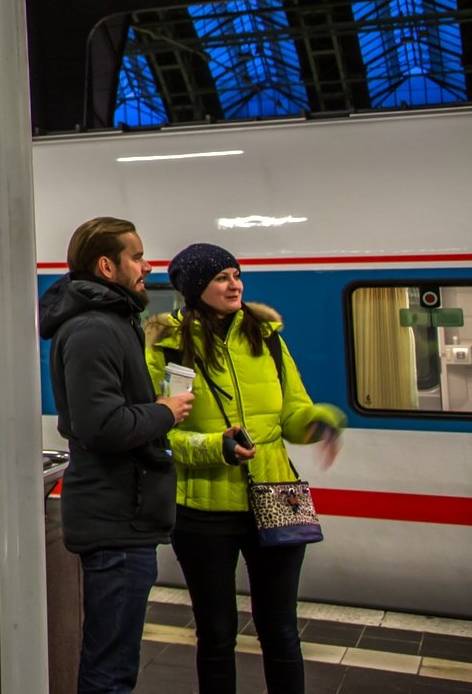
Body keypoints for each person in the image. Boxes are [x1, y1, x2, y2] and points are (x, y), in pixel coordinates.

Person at [147, 243, 347, 694]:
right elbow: (160, 432)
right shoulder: (166, 345)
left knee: (280, 629)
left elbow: (293, 411)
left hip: (274, 496)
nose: (234, 284)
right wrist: (215, 447)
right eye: (221, 277)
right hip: (201, 509)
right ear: (196, 288)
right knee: (216, 635)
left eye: (236, 275)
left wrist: (320, 422)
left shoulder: (268, 337)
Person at [40, 217, 195, 694]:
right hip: (115, 520)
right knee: (110, 670)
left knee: (115, 662)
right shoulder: (94, 330)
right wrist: (165, 412)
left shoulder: (110, 323)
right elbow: (101, 425)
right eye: (137, 257)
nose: (147, 267)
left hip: (121, 516)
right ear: (107, 266)